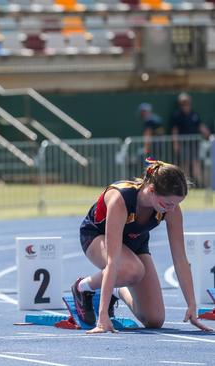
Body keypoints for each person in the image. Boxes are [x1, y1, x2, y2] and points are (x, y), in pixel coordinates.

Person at [72, 158, 212, 334]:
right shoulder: (120, 199)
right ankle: (82, 287)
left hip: (135, 243)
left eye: (177, 204)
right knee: (131, 269)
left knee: (154, 319)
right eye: (168, 204)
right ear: (151, 190)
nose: (172, 209)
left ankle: (117, 289)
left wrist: (192, 305)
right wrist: (102, 318)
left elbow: (180, 259)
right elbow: (113, 260)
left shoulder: (172, 209)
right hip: (96, 237)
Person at [171, 92, 211, 187]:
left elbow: (200, 126)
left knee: (196, 165)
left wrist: (209, 136)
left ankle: (203, 186)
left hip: (194, 144)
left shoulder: (194, 114)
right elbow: (175, 130)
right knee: (185, 166)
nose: (185, 105)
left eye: (187, 102)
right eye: (183, 103)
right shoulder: (177, 115)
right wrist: (175, 144)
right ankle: (185, 186)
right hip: (183, 144)